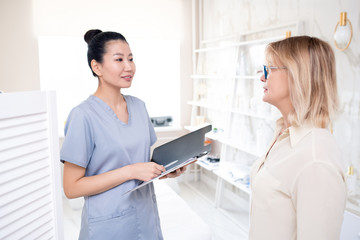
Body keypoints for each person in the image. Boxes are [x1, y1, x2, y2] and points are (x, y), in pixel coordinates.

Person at [60, 29, 186, 240]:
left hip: (146, 219)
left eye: (131, 59)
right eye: (119, 59)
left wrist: (164, 170)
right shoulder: (82, 115)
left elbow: (138, 161)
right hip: (107, 226)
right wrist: (130, 171)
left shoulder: (139, 106)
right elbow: (71, 188)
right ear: (96, 66)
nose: (129, 67)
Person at [249, 36, 346, 240]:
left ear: (298, 75)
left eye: (270, 69)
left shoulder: (316, 159)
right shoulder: (284, 135)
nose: (262, 77)